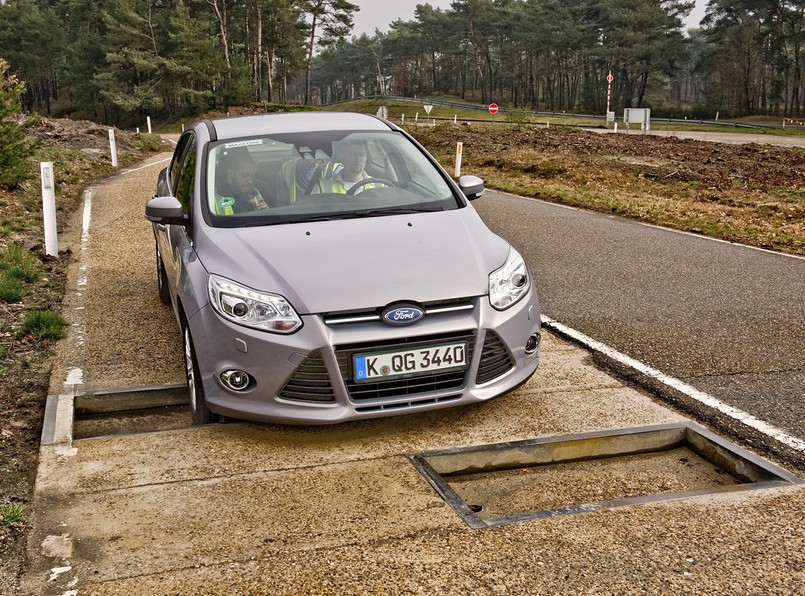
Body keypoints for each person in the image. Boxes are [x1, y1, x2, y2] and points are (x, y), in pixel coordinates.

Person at [214, 149, 269, 215]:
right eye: (244, 175)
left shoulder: (255, 193)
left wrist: (265, 212)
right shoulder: (214, 197)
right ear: (230, 173)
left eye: (252, 176)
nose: (250, 181)